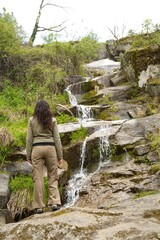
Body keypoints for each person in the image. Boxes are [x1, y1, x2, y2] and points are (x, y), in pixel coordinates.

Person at [26, 99, 63, 214]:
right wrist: (60, 155)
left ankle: (39, 206)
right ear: (48, 109)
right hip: (51, 149)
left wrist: (28, 155)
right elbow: (57, 139)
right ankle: (54, 203)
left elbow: (29, 139)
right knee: (53, 175)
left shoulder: (31, 120)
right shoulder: (53, 120)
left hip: (36, 149)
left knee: (38, 177)